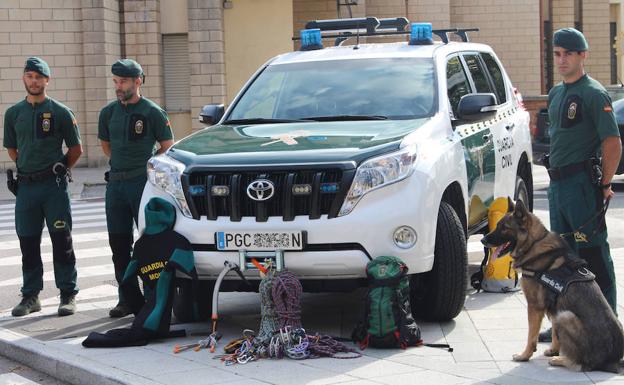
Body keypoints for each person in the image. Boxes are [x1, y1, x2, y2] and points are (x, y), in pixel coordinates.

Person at [539, 28, 622, 342]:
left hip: (581, 186)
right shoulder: (556, 92)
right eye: (557, 54)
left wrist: (604, 184)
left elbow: (612, 143)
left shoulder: (593, 93)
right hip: (558, 185)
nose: (561, 60)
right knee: (563, 259)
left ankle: (609, 327)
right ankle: (566, 325)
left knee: (594, 255)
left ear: (582, 55)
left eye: (568, 54)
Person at [3, 57, 83, 317]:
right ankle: (30, 296)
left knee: (62, 240)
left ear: (47, 80)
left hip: (53, 187)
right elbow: (12, 149)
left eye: (39, 77)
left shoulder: (60, 111)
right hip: (26, 188)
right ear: (24, 79)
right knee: (28, 242)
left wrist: (57, 169)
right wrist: (30, 169)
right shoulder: (13, 114)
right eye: (29, 76)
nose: (34, 81)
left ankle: (68, 294)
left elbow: (76, 149)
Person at [98, 59, 174, 318]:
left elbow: (167, 146)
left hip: (142, 184)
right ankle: (128, 299)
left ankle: (154, 297)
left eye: (123, 82)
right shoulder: (108, 113)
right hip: (116, 185)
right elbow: (106, 146)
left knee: (149, 243)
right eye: (116, 82)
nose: (118, 87)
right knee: (119, 244)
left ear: (137, 81)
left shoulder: (152, 111)